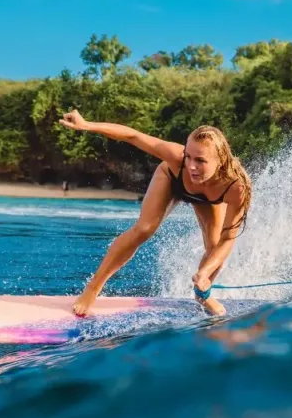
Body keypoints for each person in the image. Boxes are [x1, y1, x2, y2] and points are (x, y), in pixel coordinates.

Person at [58, 109, 252, 317]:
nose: (192, 166)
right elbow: (133, 136)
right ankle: (92, 289)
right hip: (171, 180)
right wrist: (87, 125)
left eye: (201, 161)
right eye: (189, 157)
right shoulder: (176, 158)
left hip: (207, 200)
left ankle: (202, 294)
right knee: (144, 228)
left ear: (220, 160)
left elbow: (228, 239)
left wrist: (204, 273)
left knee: (215, 250)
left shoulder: (236, 186)